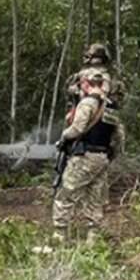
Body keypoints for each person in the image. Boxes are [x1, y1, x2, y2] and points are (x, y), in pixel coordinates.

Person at [53, 72, 122, 240]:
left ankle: (59, 235)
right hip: (102, 157)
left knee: (65, 194)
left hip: (85, 156)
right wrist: (111, 154)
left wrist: (63, 137)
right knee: (95, 197)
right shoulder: (111, 106)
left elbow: (77, 129)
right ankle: (93, 238)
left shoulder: (87, 103)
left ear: (85, 83)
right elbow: (119, 135)